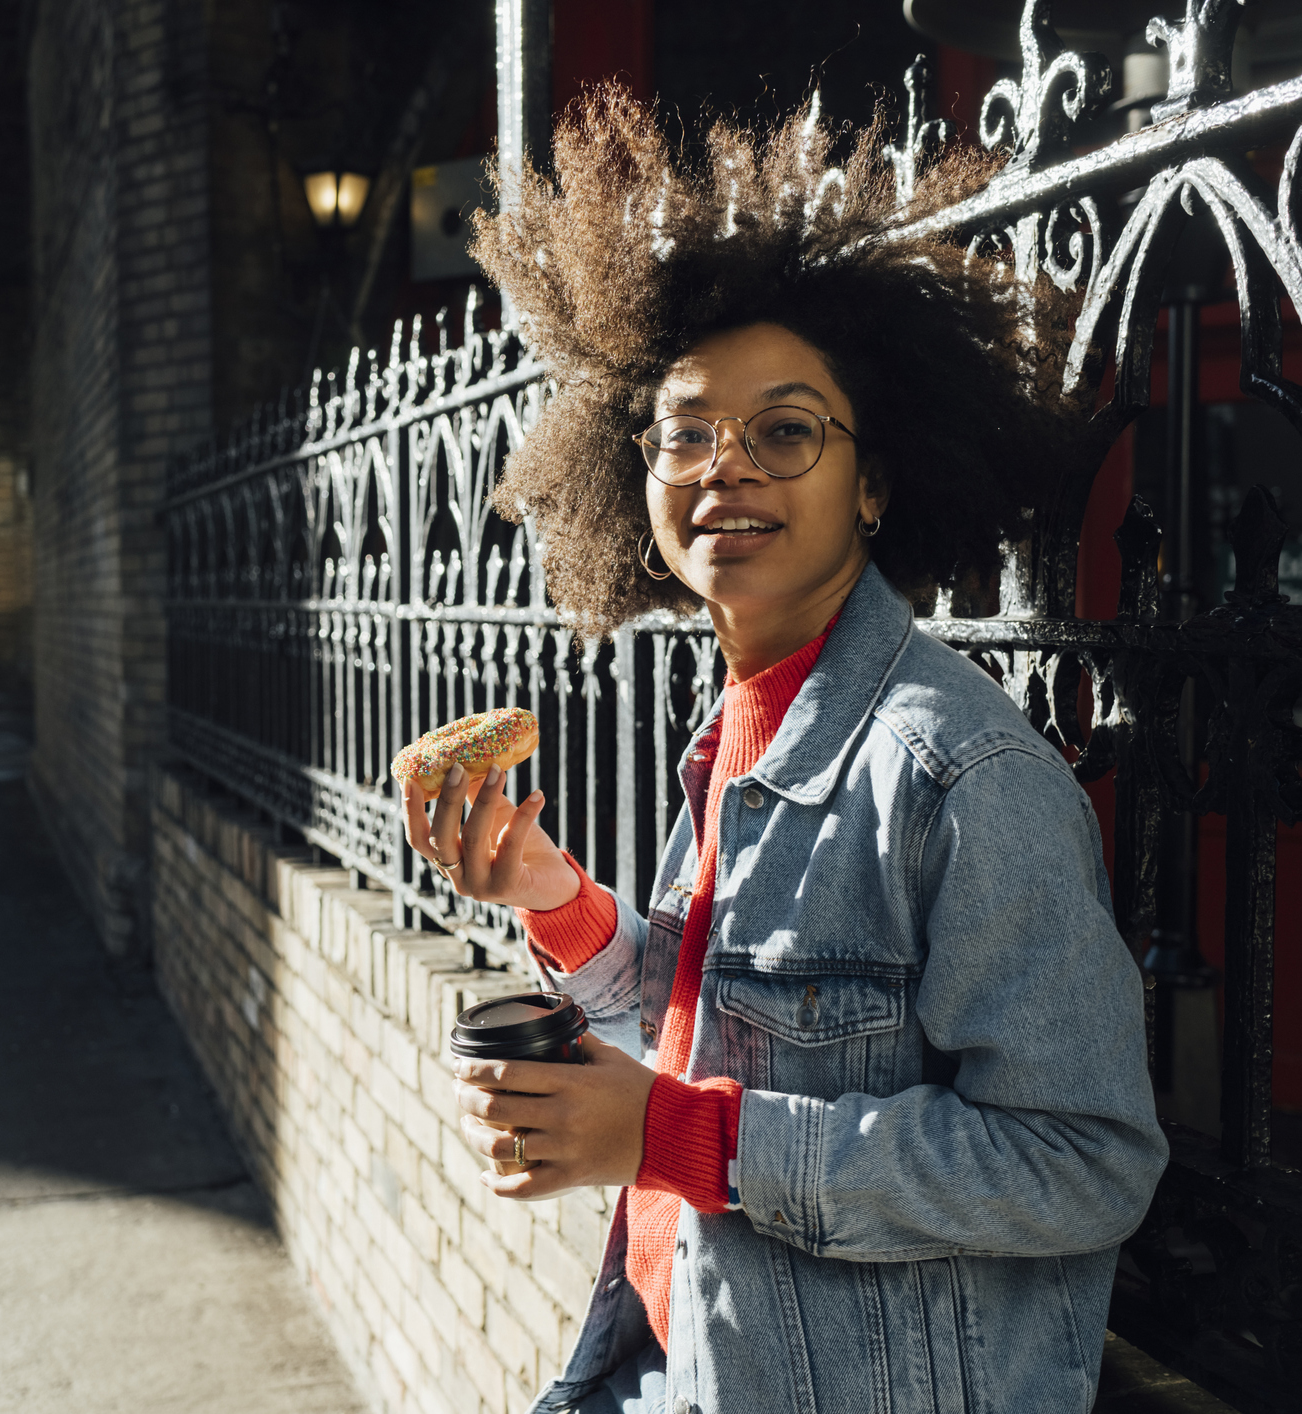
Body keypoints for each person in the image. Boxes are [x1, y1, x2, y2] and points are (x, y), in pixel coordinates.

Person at [403, 91, 1167, 1414]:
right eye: (685, 430)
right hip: (665, 1360)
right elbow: (730, 1033)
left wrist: (667, 1133)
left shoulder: (956, 775)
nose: (724, 469)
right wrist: (557, 903)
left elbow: (1080, 1162)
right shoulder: (738, 730)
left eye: (787, 429)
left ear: (874, 481)